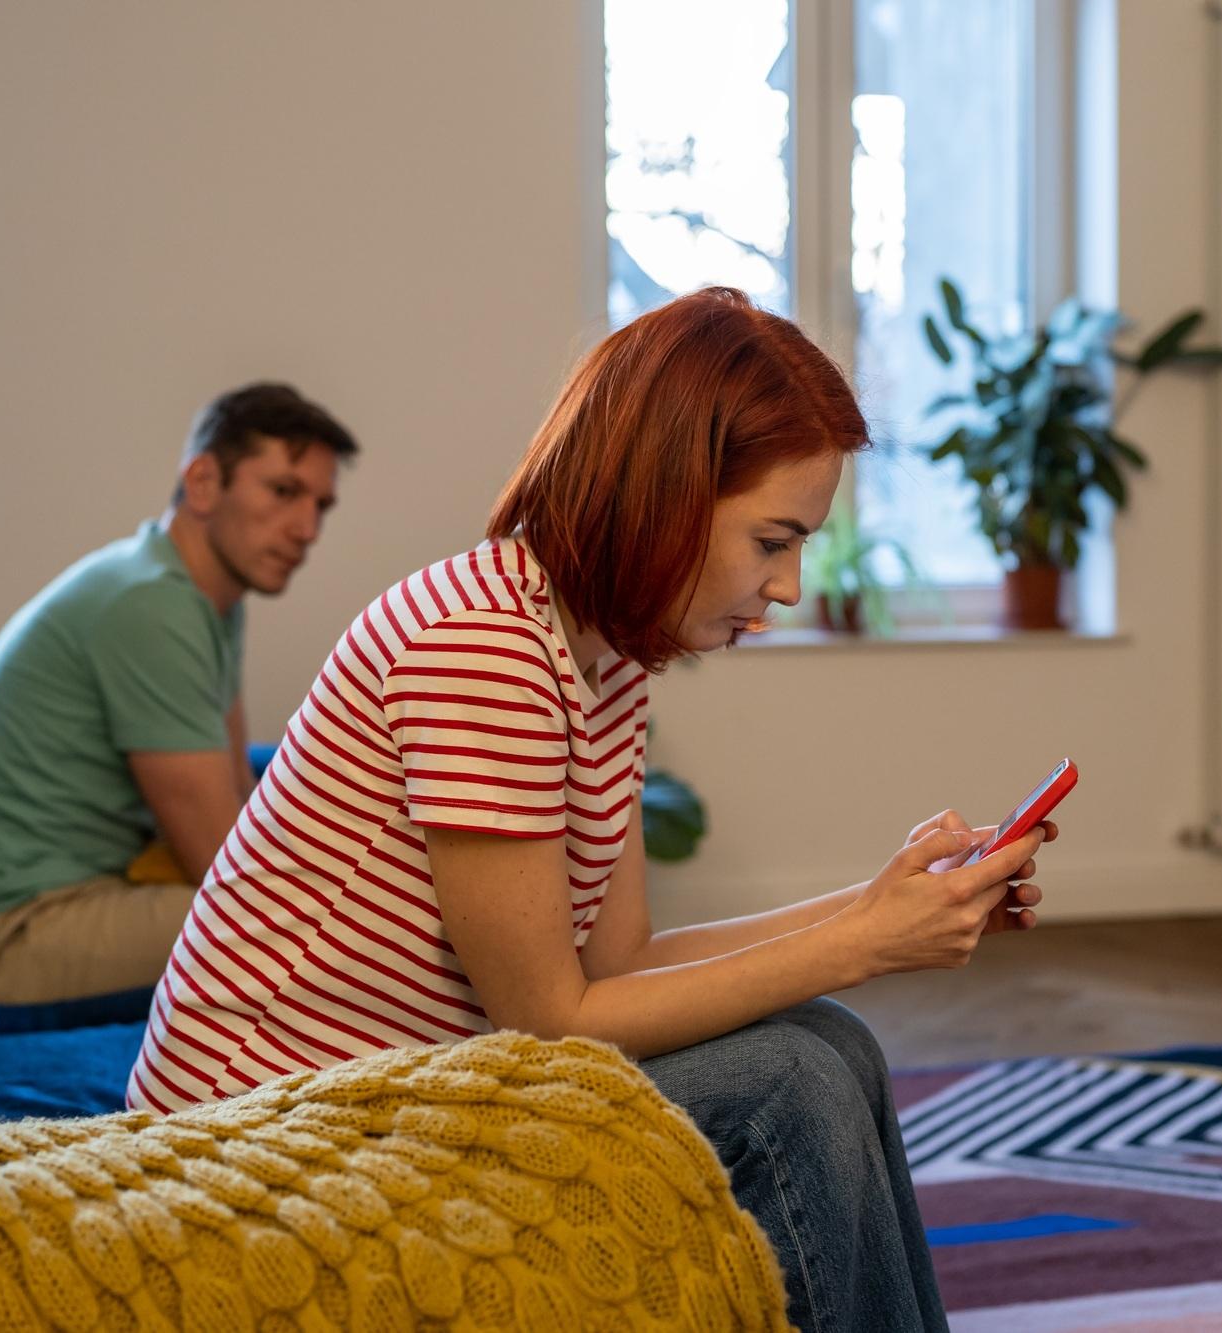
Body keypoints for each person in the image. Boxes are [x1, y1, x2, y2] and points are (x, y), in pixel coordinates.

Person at [127, 291, 1051, 1330]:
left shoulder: (597, 660)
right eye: (772, 541)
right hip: (255, 1137)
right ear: (663, 498)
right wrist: (865, 943)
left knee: (834, 1041)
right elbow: (551, 1020)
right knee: (791, 1077)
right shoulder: (483, 646)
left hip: (388, 1092)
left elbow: (618, 961)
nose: (789, 586)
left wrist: (878, 906)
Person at [0, 382, 358, 1006]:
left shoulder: (203, 599)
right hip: (6, 929)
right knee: (307, 930)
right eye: (284, 492)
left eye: (321, 505)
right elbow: (222, 863)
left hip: (65, 891)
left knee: (326, 913)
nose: (307, 529)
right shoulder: (151, 605)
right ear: (203, 482)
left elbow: (239, 796)